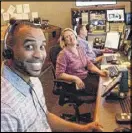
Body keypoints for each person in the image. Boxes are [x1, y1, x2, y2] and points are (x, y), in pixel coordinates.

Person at [1, 19, 103, 132]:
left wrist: (82, 128)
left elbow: (44, 116)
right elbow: (60, 73)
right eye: (29, 46)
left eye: (42, 46)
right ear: (8, 51)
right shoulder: (5, 110)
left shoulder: (34, 81)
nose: (39, 55)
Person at [56, 28, 108, 95]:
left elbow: (89, 64)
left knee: (105, 82)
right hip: (75, 83)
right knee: (103, 90)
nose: (71, 38)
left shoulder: (79, 49)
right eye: (67, 37)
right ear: (64, 41)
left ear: (75, 36)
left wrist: (100, 72)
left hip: (86, 76)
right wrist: (75, 78)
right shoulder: (63, 54)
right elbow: (59, 74)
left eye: (72, 35)